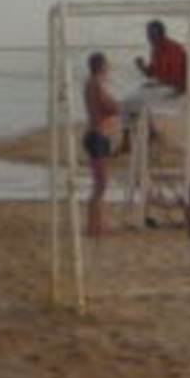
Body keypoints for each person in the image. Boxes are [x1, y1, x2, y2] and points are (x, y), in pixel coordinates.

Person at [81, 52, 120, 238]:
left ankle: (99, 223)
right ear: (101, 66)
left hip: (100, 135)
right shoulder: (95, 84)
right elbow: (108, 106)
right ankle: (93, 225)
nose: (109, 68)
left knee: (101, 183)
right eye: (107, 65)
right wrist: (120, 106)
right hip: (97, 136)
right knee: (101, 183)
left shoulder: (93, 83)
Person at [137, 20, 189, 97]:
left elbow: (176, 78)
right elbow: (151, 73)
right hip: (163, 87)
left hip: (178, 90)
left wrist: (156, 85)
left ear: (161, 34)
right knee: (136, 92)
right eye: (148, 35)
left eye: (152, 35)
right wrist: (142, 66)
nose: (150, 38)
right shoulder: (156, 49)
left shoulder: (174, 49)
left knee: (140, 97)